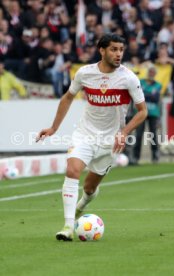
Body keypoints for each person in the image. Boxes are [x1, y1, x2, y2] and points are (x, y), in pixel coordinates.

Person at [36, 33, 147, 241]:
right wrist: (53, 128)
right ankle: (68, 226)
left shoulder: (129, 78)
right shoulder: (84, 73)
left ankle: (82, 205)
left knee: (89, 188)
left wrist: (124, 133)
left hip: (110, 141)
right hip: (85, 134)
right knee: (72, 170)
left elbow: (142, 111)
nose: (118, 54)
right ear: (102, 50)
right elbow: (68, 97)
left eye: (121, 50)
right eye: (114, 49)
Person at [133, 64, 161, 164]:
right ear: (148, 72)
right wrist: (149, 95)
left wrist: (145, 94)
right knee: (139, 135)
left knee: (153, 135)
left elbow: (156, 98)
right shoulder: (140, 82)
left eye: (153, 72)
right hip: (141, 112)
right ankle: (136, 157)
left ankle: (155, 156)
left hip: (153, 112)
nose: (151, 73)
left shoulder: (158, 85)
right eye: (150, 71)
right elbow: (137, 95)